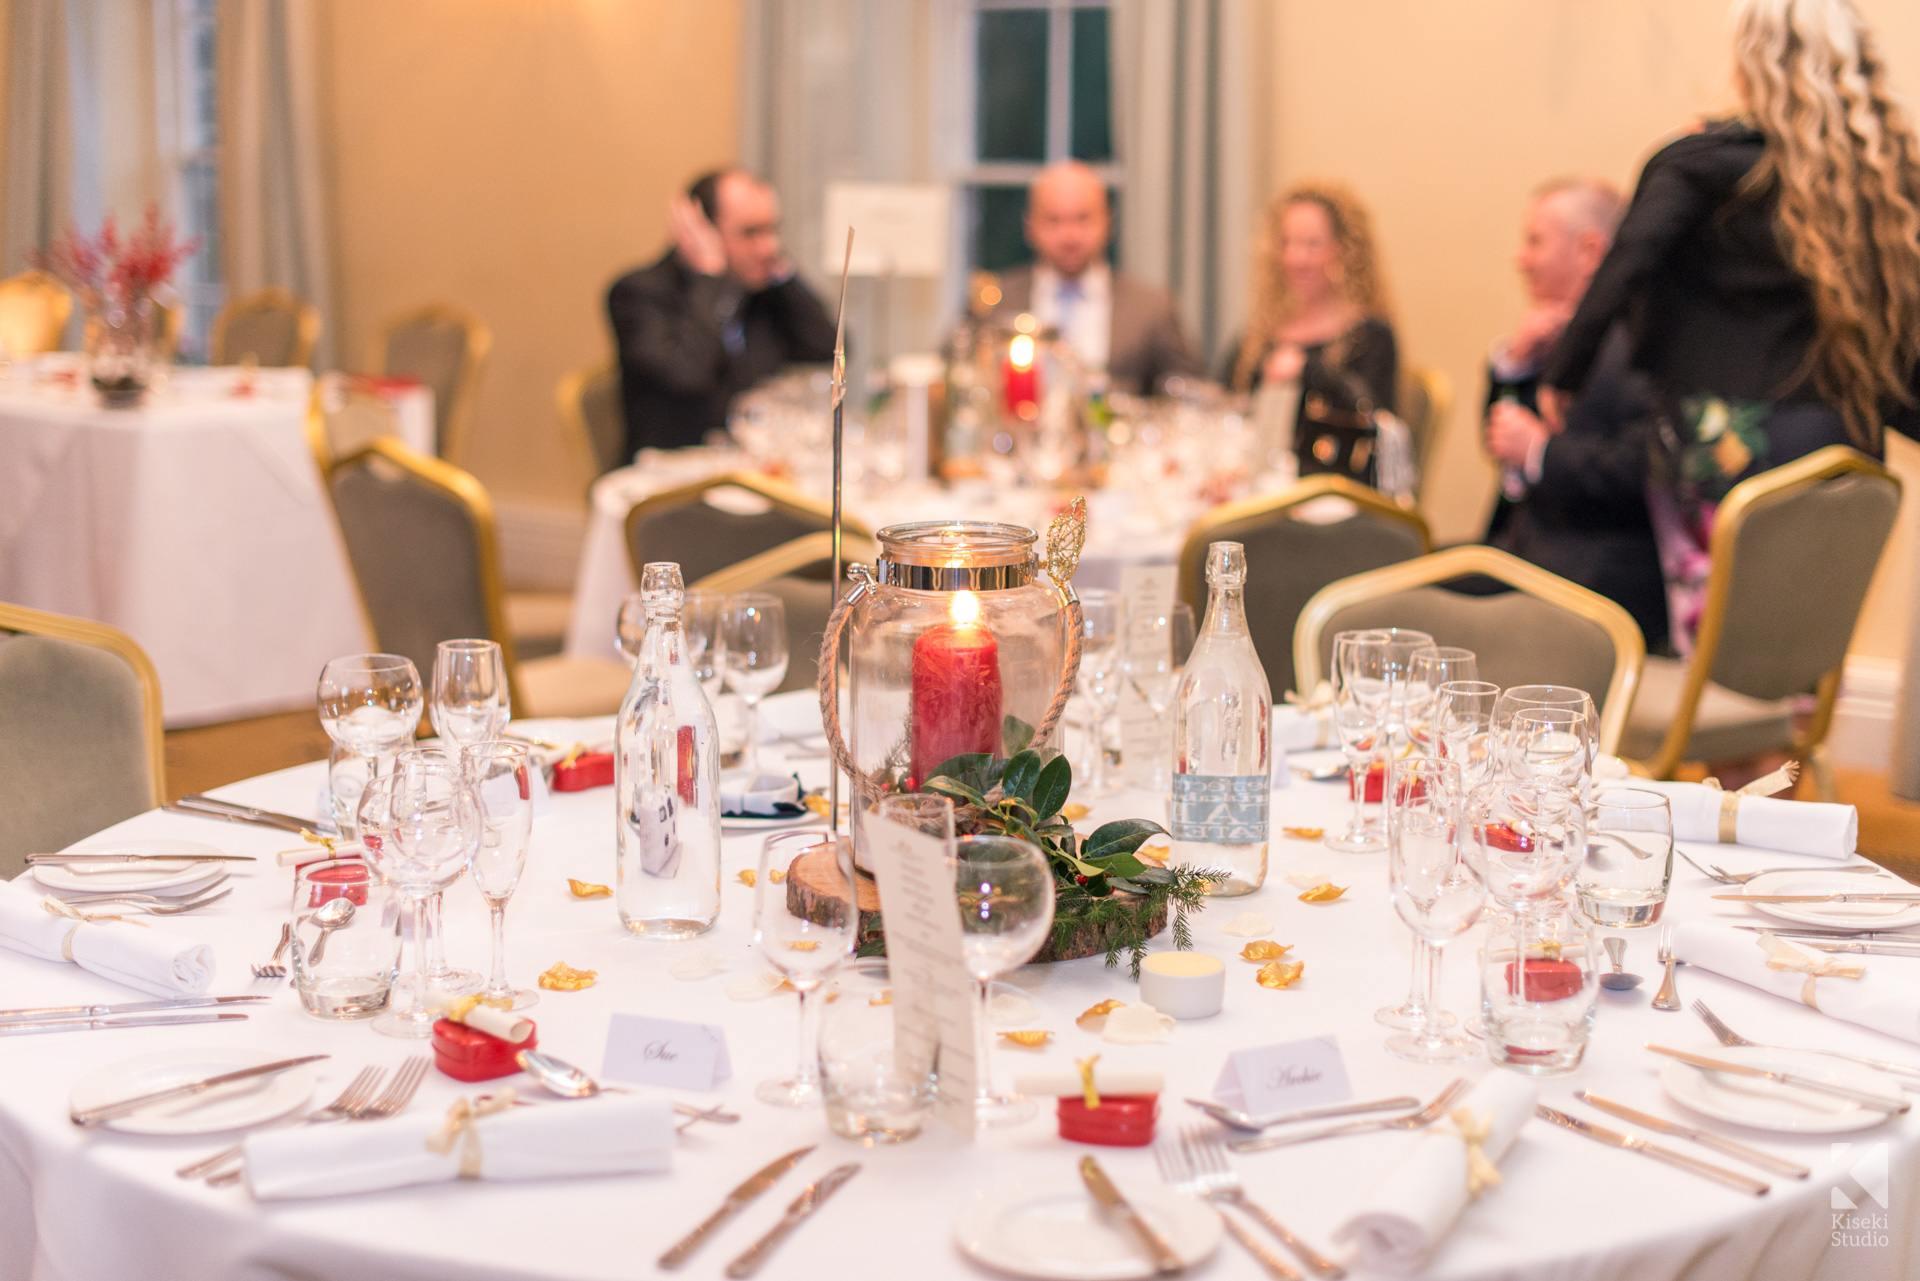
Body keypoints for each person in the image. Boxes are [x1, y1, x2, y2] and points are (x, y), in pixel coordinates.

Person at [1540, 0, 1920, 648]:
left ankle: (1741, 755)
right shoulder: (1883, 176)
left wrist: (1564, 371)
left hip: (1719, 444)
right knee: (1797, 656)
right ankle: (1793, 751)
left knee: (1720, 664)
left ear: (1749, 58)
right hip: (1840, 444)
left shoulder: (1699, 163)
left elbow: (1627, 264)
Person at [1482, 178, 1670, 649]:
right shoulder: (1559, 335)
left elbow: (1643, 467)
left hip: (1595, 574)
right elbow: (1501, 446)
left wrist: (1542, 452)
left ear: (1589, 251)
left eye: (1535, 242)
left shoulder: (1640, 345)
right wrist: (1515, 367)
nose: (1520, 259)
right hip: (1529, 549)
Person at [607, 170, 837, 456]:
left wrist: (782, 273)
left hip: (748, 468)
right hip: (670, 475)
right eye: (750, 232)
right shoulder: (639, 293)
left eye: (773, 230)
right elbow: (689, 374)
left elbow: (829, 347)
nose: (770, 247)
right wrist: (709, 279)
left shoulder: (760, 290)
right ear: (701, 230)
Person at [985, 161, 1201, 395]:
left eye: (1083, 219)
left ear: (1108, 222)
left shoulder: (1151, 308)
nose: (1070, 236)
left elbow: (1192, 392)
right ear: (1030, 226)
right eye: (1054, 221)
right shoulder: (993, 302)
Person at [1227, 181, 1398, 413]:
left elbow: (1373, 420)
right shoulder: (1260, 336)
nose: (1296, 258)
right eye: (1287, 243)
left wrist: (1310, 372)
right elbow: (1223, 401)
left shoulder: (1369, 337)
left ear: (1344, 250)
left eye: (1312, 244)